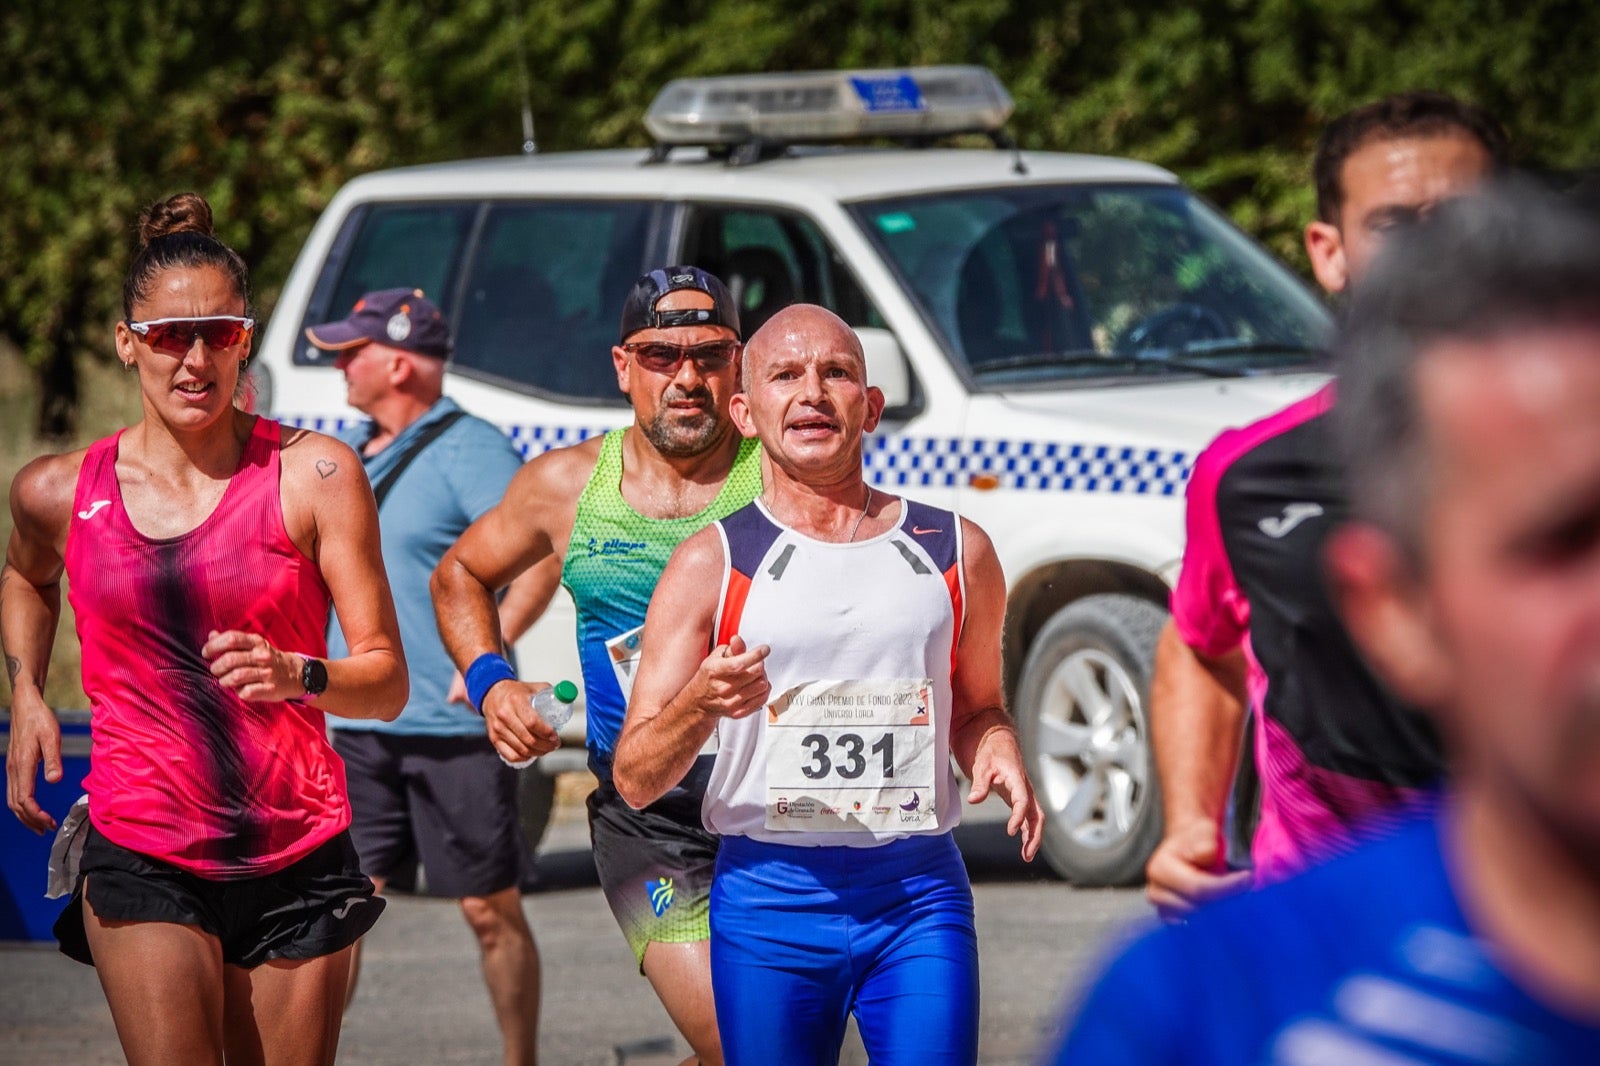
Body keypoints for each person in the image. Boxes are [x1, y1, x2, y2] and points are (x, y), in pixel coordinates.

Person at [1052, 180, 1600, 1064]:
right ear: (1396, 611)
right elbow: (1200, 642)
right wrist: (1191, 821)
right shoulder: (1213, 1009)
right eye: (1561, 544)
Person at [1, 192, 408, 1064]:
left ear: (246, 340)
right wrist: (29, 695)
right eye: (166, 336)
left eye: (218, 333)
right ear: (126, 342)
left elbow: (386, 678)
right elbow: (26, 576)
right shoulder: (56, 490)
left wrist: (301, 673)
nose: (194, 359)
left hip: (296, 846)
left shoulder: (317, 475)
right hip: (142, 844)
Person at [612, 304, 1044, 1066]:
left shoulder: (954, 551)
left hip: (916, 893)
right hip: (770, 897)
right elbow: (636, 777)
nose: (812, 391)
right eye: (785, 375)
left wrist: (998, 747)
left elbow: (977, 711)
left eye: (836, 373)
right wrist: (701, 704)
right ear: (745, 413)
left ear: (869, 407)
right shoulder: (710, 565)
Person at [1145, 91, 1510, 917]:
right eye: (1395, 225)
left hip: (1544, 923)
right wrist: (1190, 825)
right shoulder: (1248, 476)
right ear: (1329, 249)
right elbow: (1202, 643)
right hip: (1323, 916)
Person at [431, 266, 763, 1066]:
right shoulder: (570, 485)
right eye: (660, 356)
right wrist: (491, 683)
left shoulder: (782, 473)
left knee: (782, 1045)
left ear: (739, 363)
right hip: (647, 814)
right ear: (623, 367)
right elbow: (459, 576)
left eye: (710, 355)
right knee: (740, 1041)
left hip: (772, 806)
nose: (687, 378)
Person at [303, 288, 553, 1066]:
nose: (338, 363)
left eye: (353, 351)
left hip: (449, 732)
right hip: (356, 724)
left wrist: (486, 656)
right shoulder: (343, 452)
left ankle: (520, 1059)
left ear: (400, 361)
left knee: (488, 908)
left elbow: (537, 554)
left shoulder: (471, 451)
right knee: (343, 910)